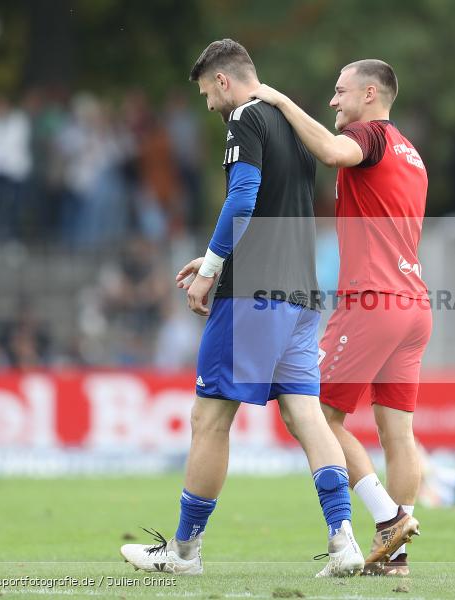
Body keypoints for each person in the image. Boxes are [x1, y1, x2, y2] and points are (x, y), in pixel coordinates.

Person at [120, 39, 364, 578]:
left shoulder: (248, 117)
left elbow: (245, 196)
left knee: (209, 419)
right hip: (301, 294)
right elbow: (279, 208)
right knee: (306, 413)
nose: (209, 103)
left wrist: (211, 270)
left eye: (208, 91)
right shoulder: (293, 126)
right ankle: (344, 539)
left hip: (254, 298)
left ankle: (183, 552)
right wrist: (215, 257)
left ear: (224, 81)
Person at [249, 59, 430, 575]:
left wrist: (280, 101)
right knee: (399, 433)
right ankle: (393, 556)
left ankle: (388, 517)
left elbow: (331, 153)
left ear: (370, 94)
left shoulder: (367, 134)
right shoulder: (411, 152)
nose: (333, 102)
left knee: (314, 414)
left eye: (339, 91)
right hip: (414, 303)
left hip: (373, 301)